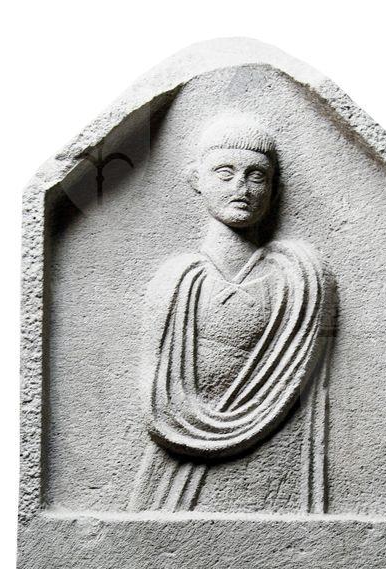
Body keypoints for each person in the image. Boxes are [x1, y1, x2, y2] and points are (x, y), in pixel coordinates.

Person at [128, 113, 332, 512]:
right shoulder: (178, 279)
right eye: (225, 173)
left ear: (274, 188)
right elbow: (159, 395)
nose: (242, 188)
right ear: (196, 179)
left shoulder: (298, 278)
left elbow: (305, 390)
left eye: (257, 176)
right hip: (181, 455)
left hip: (275, 454)